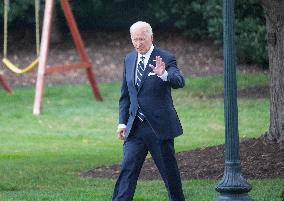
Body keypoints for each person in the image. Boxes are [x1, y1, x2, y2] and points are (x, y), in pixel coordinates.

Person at [112, 21, 185, 201]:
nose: (138, 44)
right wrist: (122, 122)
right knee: (127, 170)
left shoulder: (165, 58)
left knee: (169, 174)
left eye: (142, 39)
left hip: (159, 128)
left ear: (151, 38)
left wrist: (163, 74)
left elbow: (179, 81)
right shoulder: (129, 59)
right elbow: (126, 95)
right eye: (134, 40)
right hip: (135, 127)